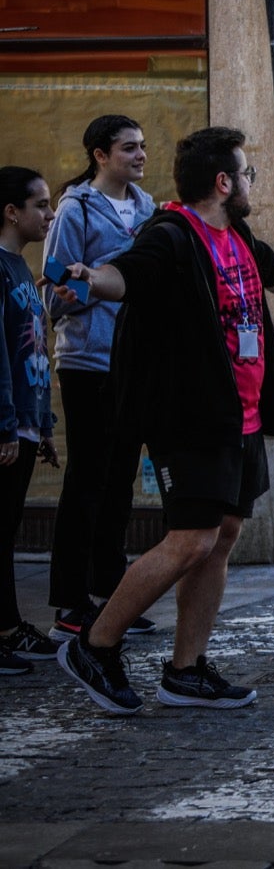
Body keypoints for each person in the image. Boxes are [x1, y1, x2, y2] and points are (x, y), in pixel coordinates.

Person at [55, 126, 274, 714]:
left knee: (222, 536)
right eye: (246, 174)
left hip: (239, 419)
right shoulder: (171, 234)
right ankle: (94, 645)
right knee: (192, 536)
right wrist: (92, 279)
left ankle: (185, 670)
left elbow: (270, 271)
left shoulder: (239, 233)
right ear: (223, 182)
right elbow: (125, 274)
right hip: (189, 418)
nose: (251, 182)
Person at [43, 115, 157, 644]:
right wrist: (102, 280)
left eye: (141, 147)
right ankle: (70, 600)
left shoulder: (147, 206)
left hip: (134, 362)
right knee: (87, 479)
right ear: (100, 155)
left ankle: (115, 594)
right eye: (129, 148)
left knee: (119, 483)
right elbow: (54, 296)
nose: (140, 155)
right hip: (87, 361)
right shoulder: (76, 209)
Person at [0, 169, 61, 674]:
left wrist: (44, 424)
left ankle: (8, 625)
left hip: (24, 422)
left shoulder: (22, 269)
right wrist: (5, 425)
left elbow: (35, 354)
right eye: (40, 205)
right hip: (5, 426)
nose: (49, 214)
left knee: (8, 532)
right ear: (11, 212)